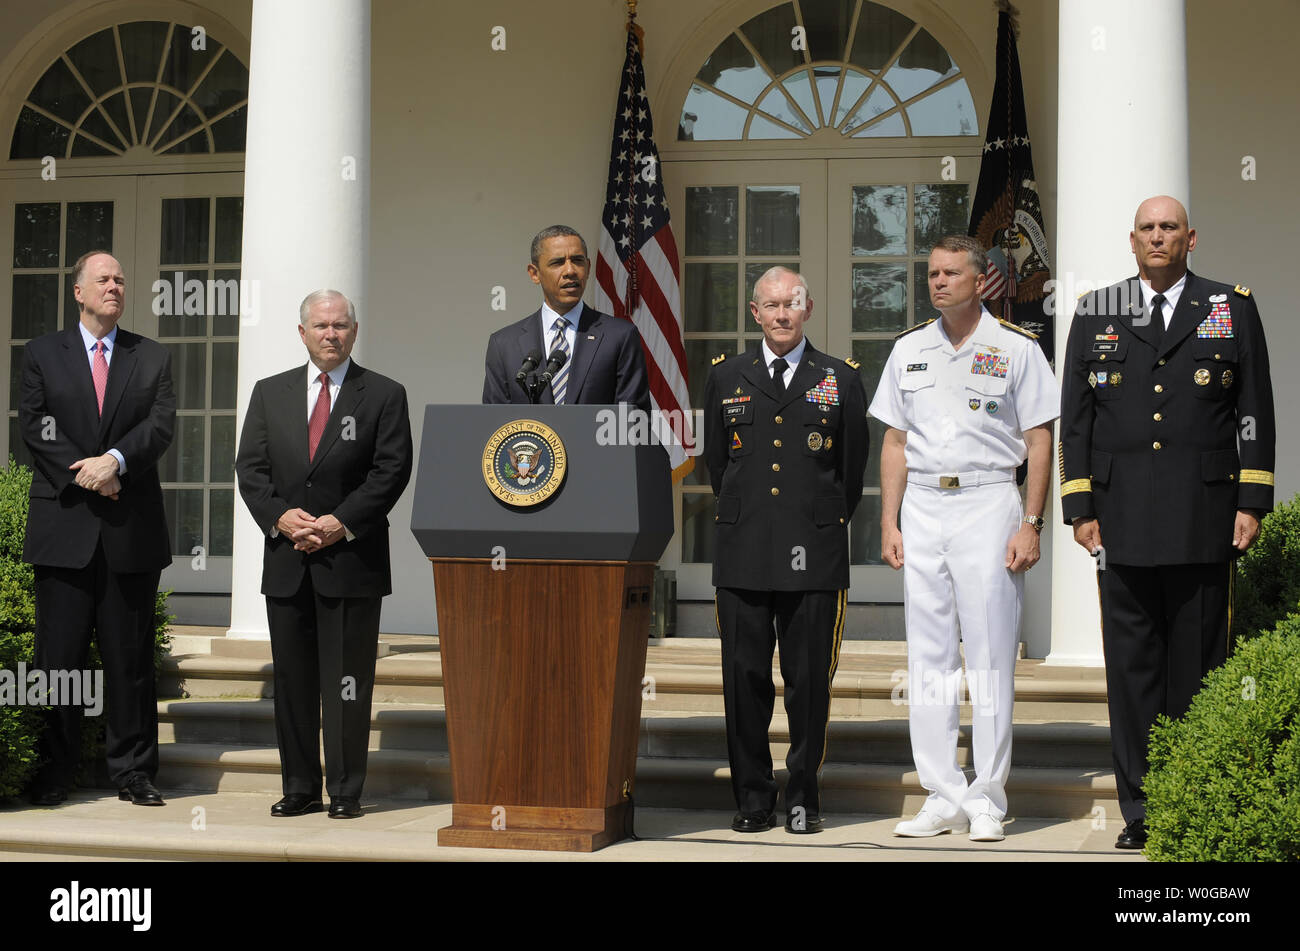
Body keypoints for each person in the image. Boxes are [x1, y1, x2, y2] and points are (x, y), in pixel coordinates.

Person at [1059, 195, 1275, 849]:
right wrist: (1079, 506)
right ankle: (1142, 810)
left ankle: (1196, 795)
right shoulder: (1096, 309)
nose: (1159, 237)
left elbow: (1254, 409)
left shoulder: (1230, 306)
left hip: (1203, 518)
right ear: (1133, 240)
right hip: (1120, 522)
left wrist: (1251, 499)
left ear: (1191, 238)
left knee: (1201, 669)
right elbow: (1076, 417)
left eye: (1170, 228)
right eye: (1148, 228)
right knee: (1132, 672)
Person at [870, 235, 1057, 842]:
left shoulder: (1016, 348)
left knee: (990, 652)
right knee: (928, 656)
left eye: (951, 273)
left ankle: (987, 797)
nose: (938, 281)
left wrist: (1031, 523)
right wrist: (889, 520)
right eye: (931, 273)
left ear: (982, 281)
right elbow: (894, 442)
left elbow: (1038, 441)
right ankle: (940, 792)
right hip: (923, 503)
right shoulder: (908, 349)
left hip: (987, 501)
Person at [703, 266, 869, 834]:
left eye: (790, 305)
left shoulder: (840, 378)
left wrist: (814, 525)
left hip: (814, 555)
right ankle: (753, 798)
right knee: (743, 682)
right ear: (755, 313)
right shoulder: (726, 377)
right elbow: (717, 464)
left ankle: (802, 799)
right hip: (744, 552)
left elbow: (849, 472)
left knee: (807, 686)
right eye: (770, 306)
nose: (780, 315)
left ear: (808, 308)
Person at [235, 289, 412, 819]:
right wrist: (280, 518)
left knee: (347, 683)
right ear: (302, 333)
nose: (330, 334)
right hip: (288, 562)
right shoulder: (270, 393)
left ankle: (345, 790)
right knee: (292, 682)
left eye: (340, 325)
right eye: (320, 325)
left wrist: (341, 522)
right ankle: (299, 787)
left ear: (353, 332)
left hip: (350, 563)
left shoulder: (382, 393)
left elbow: (391, 472)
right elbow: (251, 469)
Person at [21, 250, 176, 807]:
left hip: (129, 531)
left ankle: (133, 772)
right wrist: (91, 474)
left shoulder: (151, 357)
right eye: (103, 280)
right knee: (57, 660)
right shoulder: (42, 353)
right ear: (79, 293)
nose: (114, 286)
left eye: (120, 280)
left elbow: (159, 427)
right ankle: (54, 771)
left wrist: (115, 461)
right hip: (64, 530)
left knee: (129, 659)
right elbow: (35, 425)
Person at [482, 225, 650, 411]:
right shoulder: (504, 344)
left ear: (588, 268)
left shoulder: (620, 336)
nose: (570, 270)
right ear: (534, 273)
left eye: (577, 261)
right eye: (557, 262)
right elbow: (495, 426)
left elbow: (633, 421)